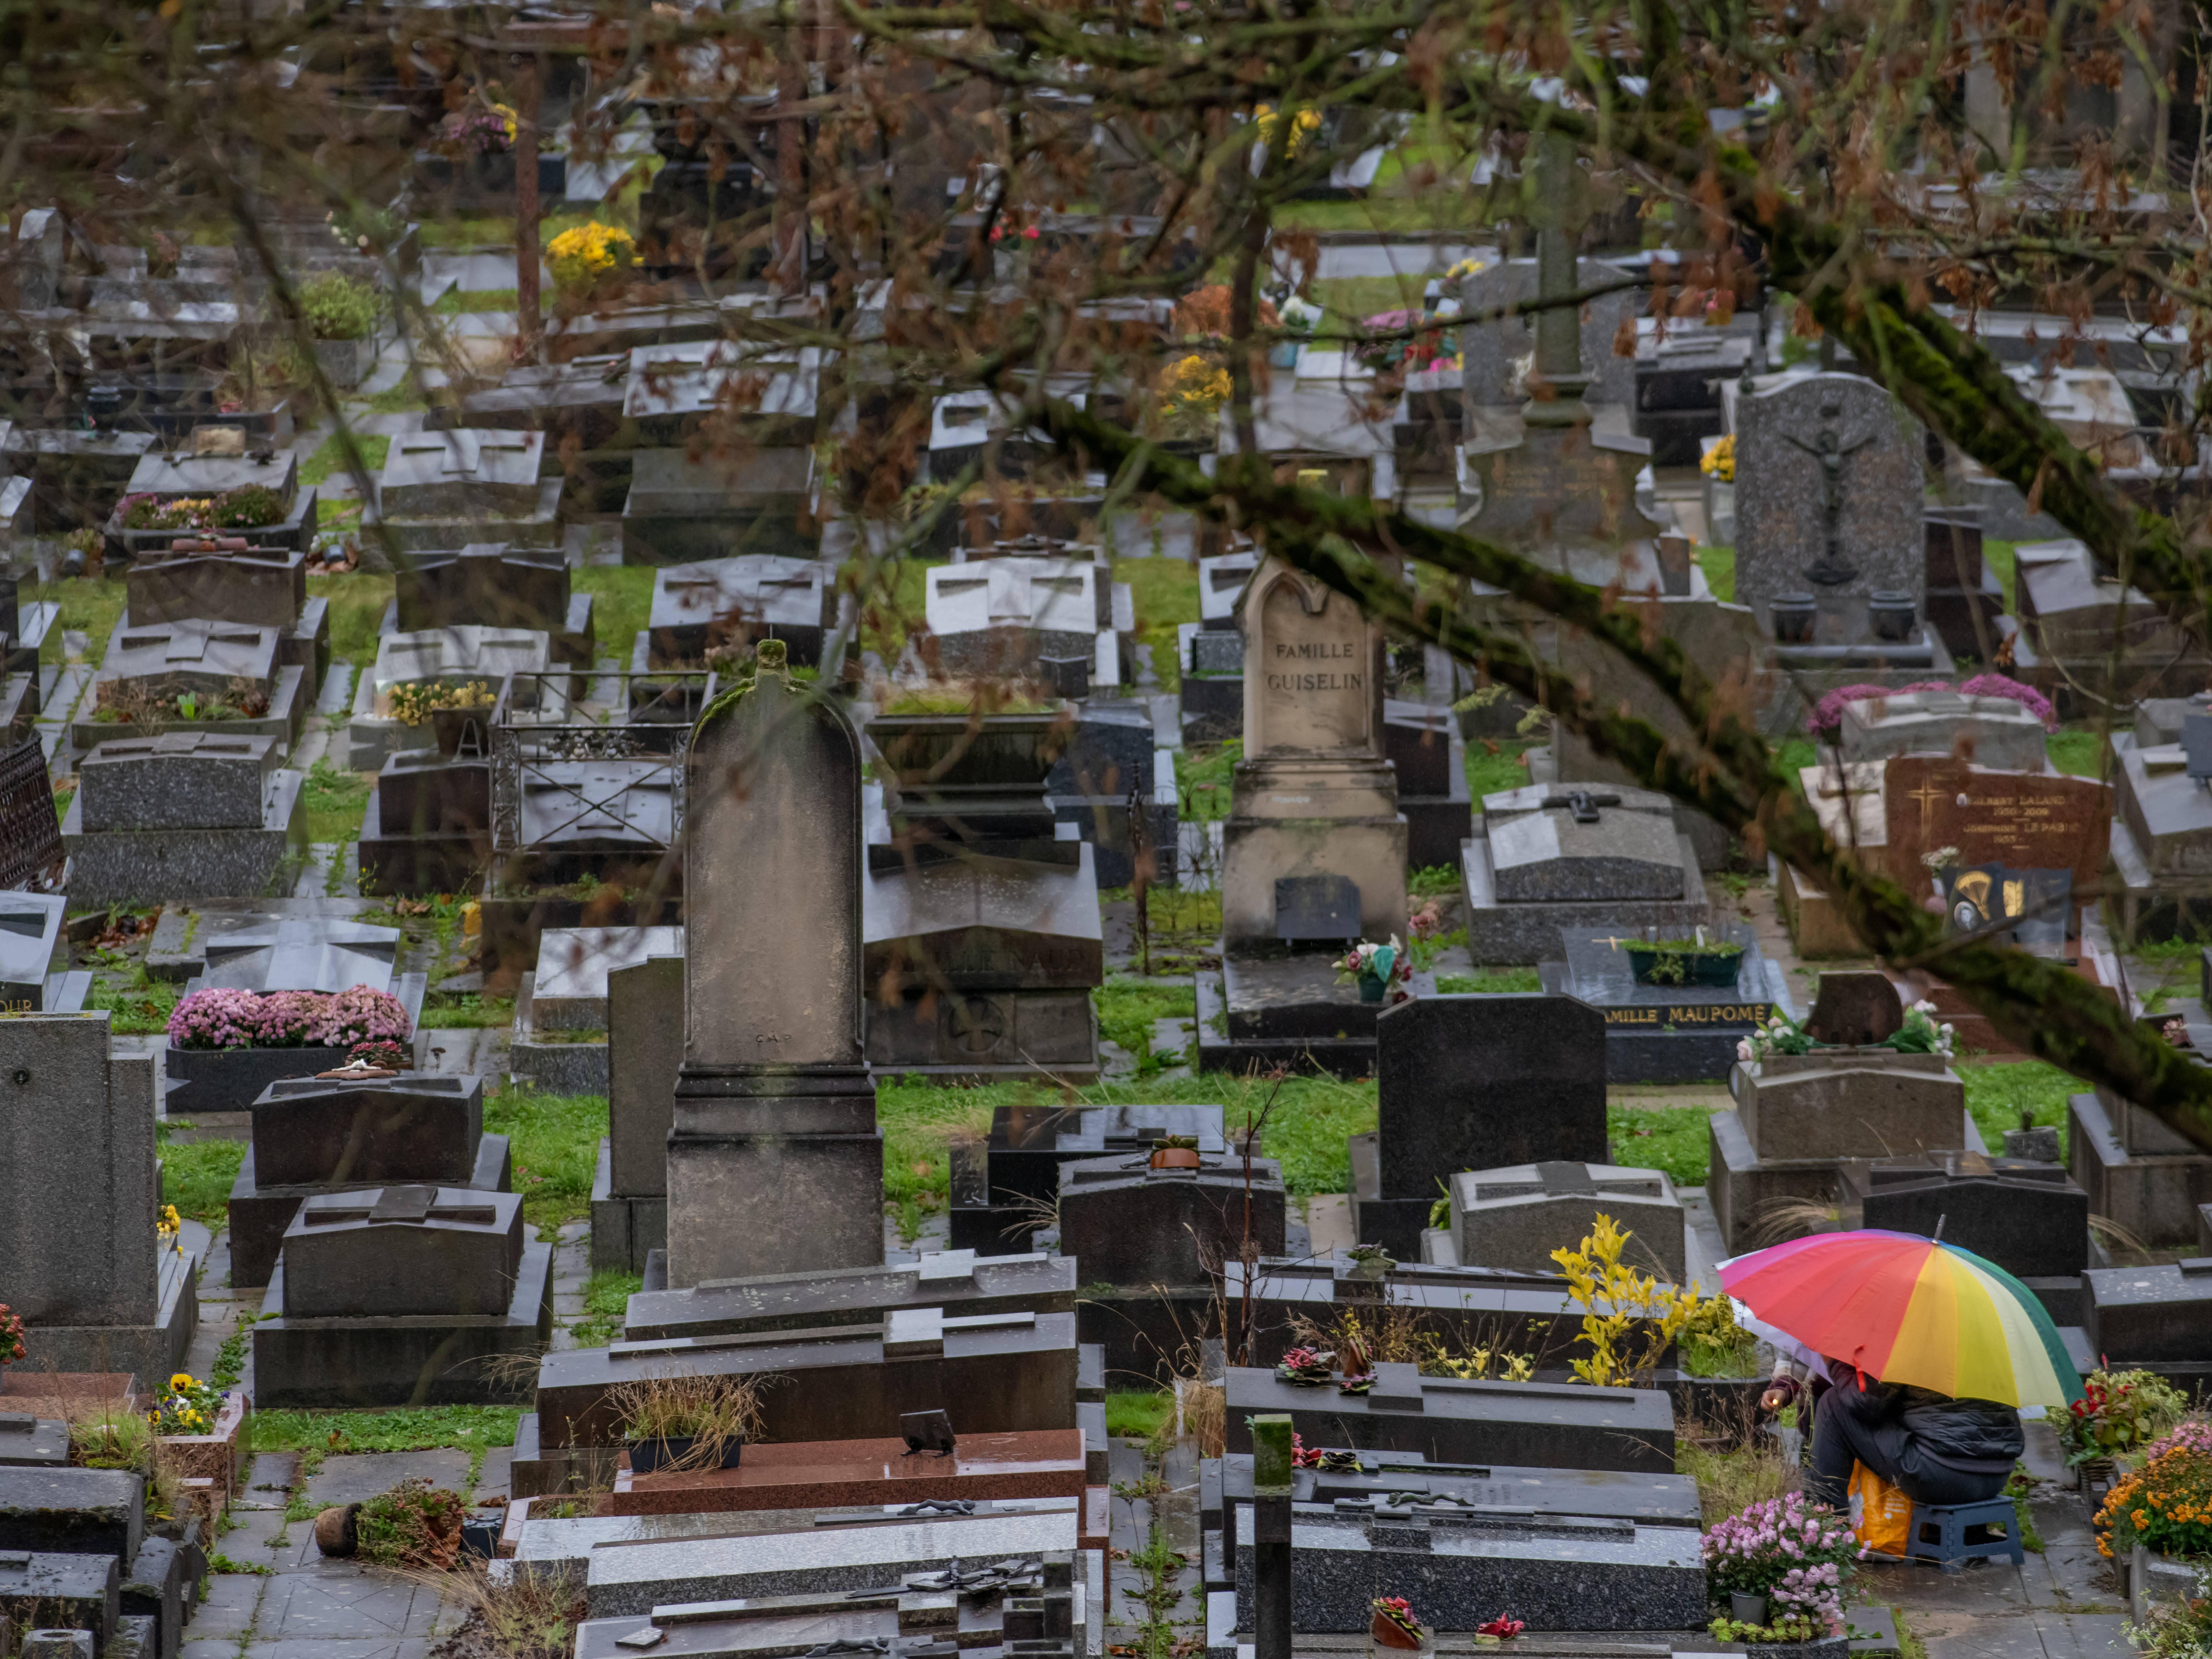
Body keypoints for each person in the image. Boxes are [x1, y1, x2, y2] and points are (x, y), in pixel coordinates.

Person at [1772, 1357, 2023, 1510]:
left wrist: (1834, 1363)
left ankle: (1824, 1526)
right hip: (1996, 1475)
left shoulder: (1910, 1336)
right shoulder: (1979, 1335)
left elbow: (1865, 1404)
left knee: (1833, 1404)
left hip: (1941, 1476)